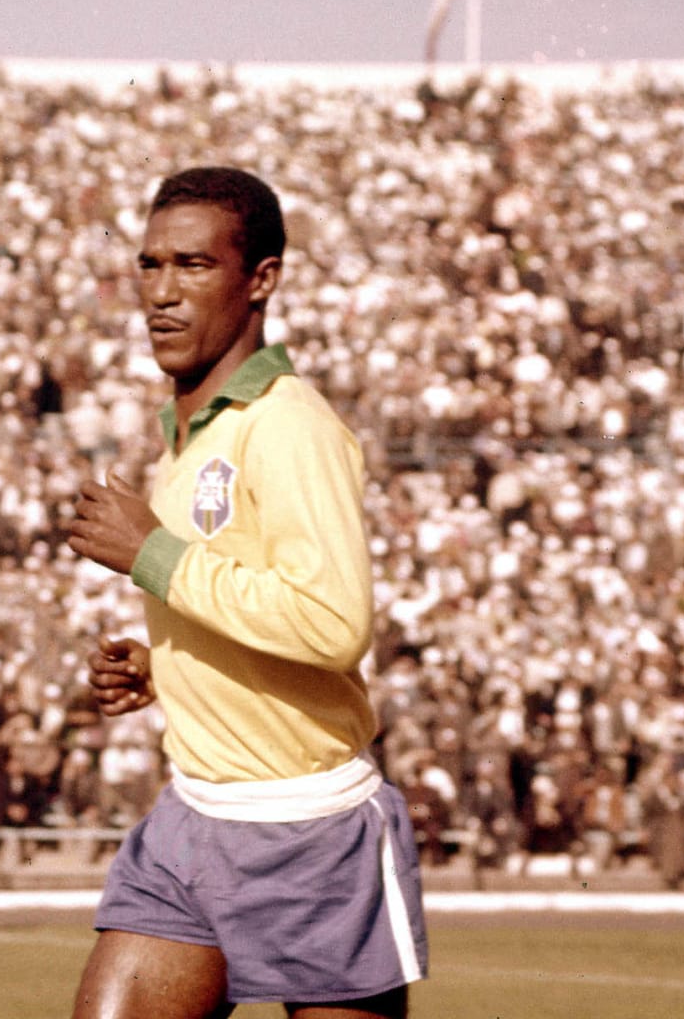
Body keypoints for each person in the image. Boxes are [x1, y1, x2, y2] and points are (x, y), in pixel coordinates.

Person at [67, 167, 427, 1018]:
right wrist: (165, 665)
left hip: (310, 830)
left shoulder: (289, 423)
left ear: (261, 279)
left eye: (193, 266)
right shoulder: (188, 435)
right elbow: (250, 598)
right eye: (150, 265)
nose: (162, 292)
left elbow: (332, 622)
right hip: (192, 819)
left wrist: (153, 556)